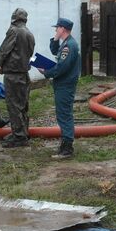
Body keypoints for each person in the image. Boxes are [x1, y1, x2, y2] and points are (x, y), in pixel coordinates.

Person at [38, 17, 81, 159]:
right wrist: (55, 38)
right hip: (63, 84)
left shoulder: (69, 46)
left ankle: (67, 149)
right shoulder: (66, 43)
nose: (55, 30)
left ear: (62, 28)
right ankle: (65, 145)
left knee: (64, 115)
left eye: (57, 28)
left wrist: (47, 72)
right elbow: (54, 51)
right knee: (63, 114)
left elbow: (62, 67)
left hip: (65, 85)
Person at [0, 8, 35, 148]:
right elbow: (30, 54)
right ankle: (23, 132)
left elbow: (4, 51)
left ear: (14, 18)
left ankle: (19, 137)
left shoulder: (13, 31)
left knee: (13, 105)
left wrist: (1, 64)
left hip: (13, 74)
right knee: (23, 105)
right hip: (24, 74)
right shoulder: (29, 33)